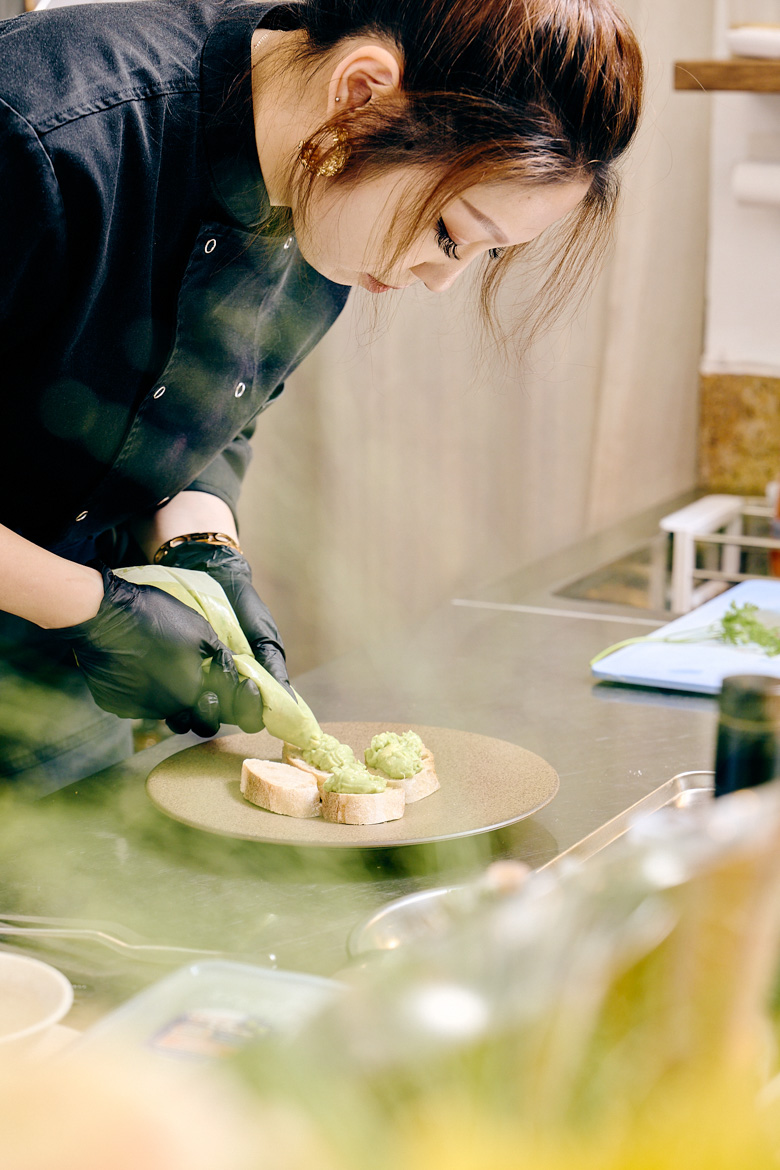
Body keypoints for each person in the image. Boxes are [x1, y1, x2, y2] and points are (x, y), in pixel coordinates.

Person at [0, 0, 644, 792]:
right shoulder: (42, 132)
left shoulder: (324, 189)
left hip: (56, 704)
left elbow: (204, 406)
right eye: (449, 232)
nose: (440, 280)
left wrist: (200, 545)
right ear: (362, 93)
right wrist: (89, 608)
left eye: (483, 253)